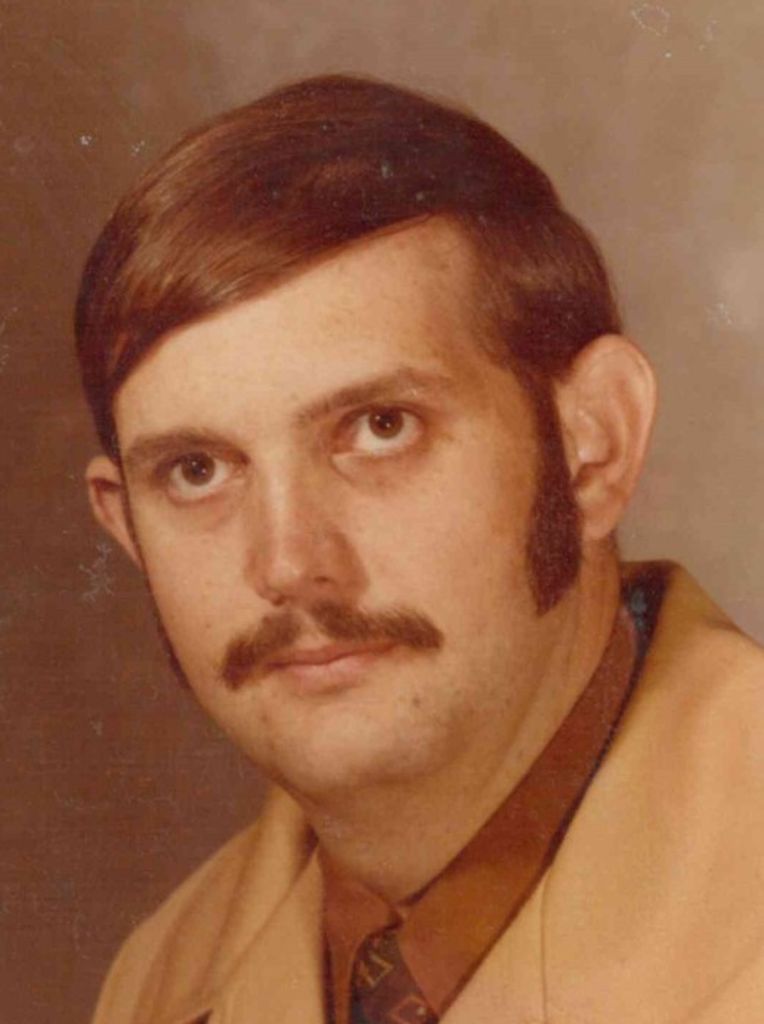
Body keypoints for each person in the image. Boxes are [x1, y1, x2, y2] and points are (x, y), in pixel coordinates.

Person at [77, 75, 764, 1024]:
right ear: (127, 531)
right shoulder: (155, 982)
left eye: (380, 427)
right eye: (197, 472)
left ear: (593, 447)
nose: (288, 564)